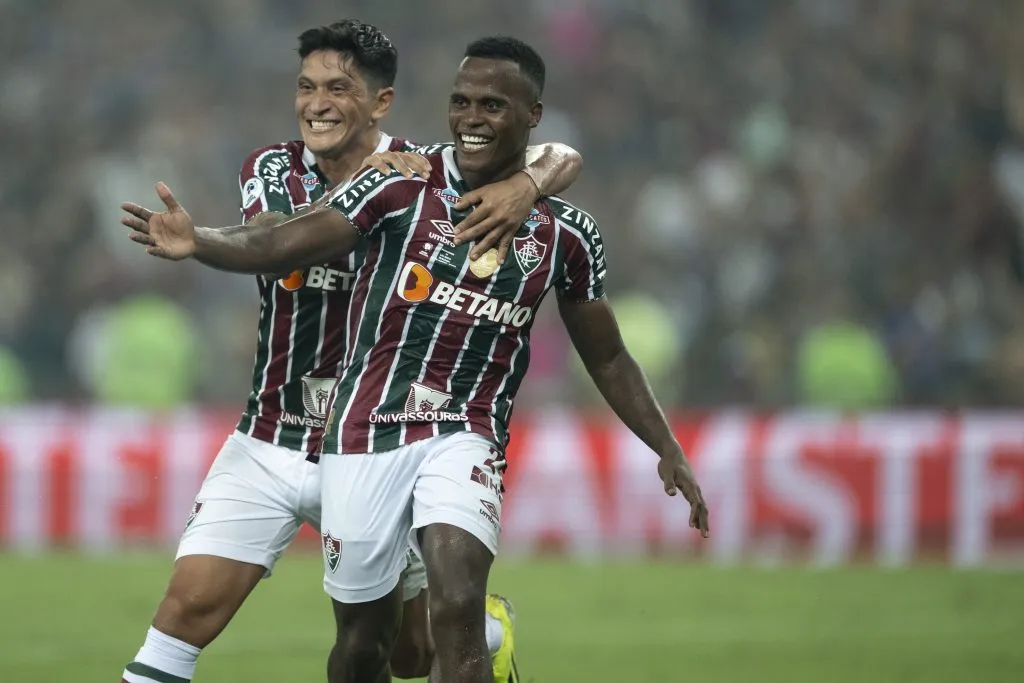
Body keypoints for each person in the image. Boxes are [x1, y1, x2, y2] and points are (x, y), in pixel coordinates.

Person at [123, 36, 709, 683]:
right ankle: (490, 633)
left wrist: (666, 444)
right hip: (329, 433)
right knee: (375, 646)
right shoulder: (377, 180)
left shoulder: (558, 230)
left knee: (454, 599)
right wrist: (199, 240)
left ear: (381, 103)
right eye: (306, 88)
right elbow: (282, 240)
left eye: (336, 88)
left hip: (462, 429)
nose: (317, 104)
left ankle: (474, 626)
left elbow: (608, 351)